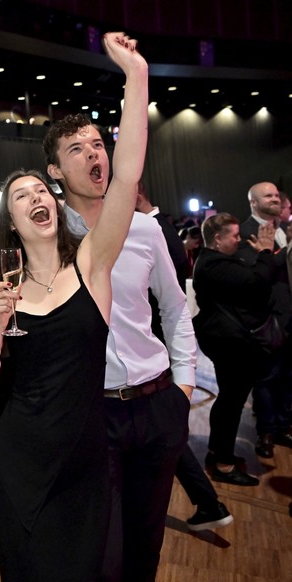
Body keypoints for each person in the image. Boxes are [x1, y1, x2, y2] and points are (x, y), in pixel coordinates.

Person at [0, 32, 148, 581]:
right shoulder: (2, 292)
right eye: (21, 198)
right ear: (11, 225)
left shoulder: (92, 264)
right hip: (18, 468)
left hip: (83, 470)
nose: (36, 198)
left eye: (40, 191)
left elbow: (129, 173)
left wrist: (135, 77)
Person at [46, 112, 195, 580]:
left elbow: (175, 310)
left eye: (97, 144)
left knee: (146, 547)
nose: (94, 153)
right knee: (101, 552)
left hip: (157, 405)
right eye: (77, 149)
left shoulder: (146, 229)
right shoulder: (47, 239)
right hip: (93, 414)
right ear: (55, 171)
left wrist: (184, 388)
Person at [135, 181, 233, 533]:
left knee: (166, 435)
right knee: (167, 436)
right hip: (147, 355)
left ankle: (208, 503)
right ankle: (209, 503)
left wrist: (185, 384)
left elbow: (175, 279)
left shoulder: (149, 227)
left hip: (152, 351)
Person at [193, 212, 277, 485]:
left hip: (225, 340)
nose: (239, 241)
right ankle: (223, 464)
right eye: (235, 236)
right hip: (228, 342)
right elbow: (257, 283)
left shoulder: (214, 261)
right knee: (231, 402)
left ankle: (219, 453)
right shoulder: (214, 264)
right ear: (218, 238)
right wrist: (266, 253)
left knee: (230, 399)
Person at [235, 182, 291, 458]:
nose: (275, 199)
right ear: (253, 203)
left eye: (276, 195)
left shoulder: (281, 230)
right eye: (268, 196)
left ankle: (283, 425)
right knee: (267, 379)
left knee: (288, 377)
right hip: (265, 319)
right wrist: (277, 253)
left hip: (288, 315)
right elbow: (255, 275)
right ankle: (266, 432)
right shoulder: (245, 233)